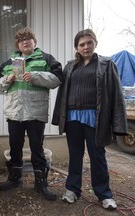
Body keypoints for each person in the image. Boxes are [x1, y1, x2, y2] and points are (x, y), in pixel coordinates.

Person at [52, 29, 128, 209]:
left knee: (97, 156)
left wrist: (118, 123)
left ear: (95, 43)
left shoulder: (106, 64)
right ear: (76, 47)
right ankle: (72, 189)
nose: (86, 47)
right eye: (82, 44)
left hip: (95, 118)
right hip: (72, 118)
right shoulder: (70, 66)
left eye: (89, 43)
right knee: (75, 155)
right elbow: (62, 94)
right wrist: (58, 117)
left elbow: (117, 94)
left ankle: (104, 194)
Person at [0, 27, 63, 201]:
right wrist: (7, 79)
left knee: (36, 147)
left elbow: (57, 79)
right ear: (18, 45)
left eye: (28, 39)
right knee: (15, 146)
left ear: (34, 42)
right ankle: (15, 178)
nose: (25, 41)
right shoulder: (8, 64)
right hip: (15, 112)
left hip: (35, 112)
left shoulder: (46, 59)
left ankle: (40, 183)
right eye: (21, 40)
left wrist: (36, 76)